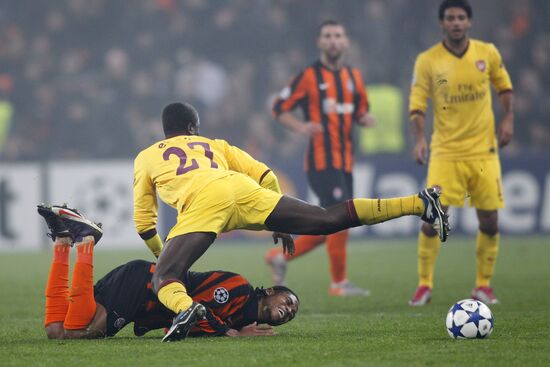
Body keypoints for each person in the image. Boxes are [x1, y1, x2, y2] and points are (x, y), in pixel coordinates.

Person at [133, 101, 448, 342]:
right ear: (193, 128)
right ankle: (419, 203)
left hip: (202, 202)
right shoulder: (215, 145)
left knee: (165, 278)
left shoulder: (146, 157)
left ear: (166, 130)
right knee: (326, 218)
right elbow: (265, 174)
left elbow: (144, 221)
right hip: (242, 190)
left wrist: (164, 255)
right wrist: (277, 220)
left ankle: (186, 309)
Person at [38, 204, 299, 340]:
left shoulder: (240, 316)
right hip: (143, 286)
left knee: (56, 330)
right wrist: (228, 332)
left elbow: (174, 328)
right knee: (75, 333)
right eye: (288, 302)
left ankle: (64, 240)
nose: (288, 310)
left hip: (142, 294)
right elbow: (191, 308)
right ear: (270, 291)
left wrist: (232, 329)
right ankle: (87, 241)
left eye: (292, 314)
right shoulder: (238, 289)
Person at [408, 0, 514, 306]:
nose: (456, 22)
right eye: (450, 18)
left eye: (461, 18)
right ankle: (424, 284)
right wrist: (418, 138)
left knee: (490, 220)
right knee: (432, 218)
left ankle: (483, 285)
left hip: (483, 152)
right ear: (442, 23)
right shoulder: (428, 60)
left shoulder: (487, 53)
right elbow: (417, 105)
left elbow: (504, 88)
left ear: (469, 22)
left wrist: (508, 118)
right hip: (445, 153)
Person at [265, 19, 376, 296]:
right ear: (320, 42)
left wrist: (364, 118)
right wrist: (301, 127)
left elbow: (360, 110)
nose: (333, 40)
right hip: (321, 161)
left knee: (334, 221)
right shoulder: (309, 77)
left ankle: (279, 257)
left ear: (346, 41)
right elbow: (279, 107)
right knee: (341, 218)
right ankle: (339, 283)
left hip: (346, 161)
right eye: (328, 36)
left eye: (338, 35)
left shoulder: (354, 77)